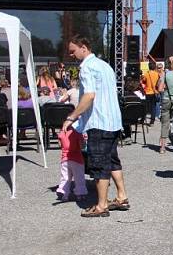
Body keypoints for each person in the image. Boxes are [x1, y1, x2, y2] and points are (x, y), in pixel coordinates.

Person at [65, 35, 130, 218]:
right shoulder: (105, 65)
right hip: (114, 121)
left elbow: (89, 96)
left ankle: (101, 205)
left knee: (99, 164)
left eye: (73, 51)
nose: (71, 54)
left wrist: (72, 117)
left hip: (99, 122)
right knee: (112, 160)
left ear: (83, 47)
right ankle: (121, 197)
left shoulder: (86, 67)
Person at [55, 126, 87, 202]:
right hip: (77, 159)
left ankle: (63, 193)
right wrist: (84, 140)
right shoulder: (78, 133)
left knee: (65, 177)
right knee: (79, 178)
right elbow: (82, 146)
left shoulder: (62, 132)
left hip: (65, 159)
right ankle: (80, 194)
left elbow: (60, 145)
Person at [141, 61, 159, 125]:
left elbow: (143, 81)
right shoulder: (157, 74)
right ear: (154, 67)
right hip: (155, 92)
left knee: (146, 107)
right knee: (153, 107)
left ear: (148, 67)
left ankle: (143, 119)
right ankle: (152, 121)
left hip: (148, 92)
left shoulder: (146, 74)